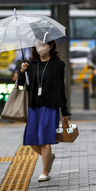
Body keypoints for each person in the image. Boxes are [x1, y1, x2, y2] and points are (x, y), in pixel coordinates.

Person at [18, 37, 71, 182]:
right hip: (34, 106)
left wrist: (64, 111)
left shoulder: (58, 64)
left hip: (50, 106)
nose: (39, 47)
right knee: (31, 139)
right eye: (37, 44)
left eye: (43, 44)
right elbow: (22, 84)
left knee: (44, 140)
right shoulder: (30, 64)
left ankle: (44, 172)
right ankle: (48, 157)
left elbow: (61, 88)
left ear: (50, 46)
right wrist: (22, 72)